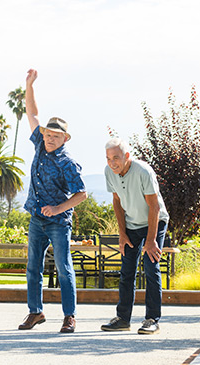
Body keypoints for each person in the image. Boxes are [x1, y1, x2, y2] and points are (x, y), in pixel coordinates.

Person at [18, 69, 87, 333]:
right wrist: (29, 85)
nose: (49, 138)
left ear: (64, 139)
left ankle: (69, 316)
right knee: (33, 267)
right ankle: (35, 312)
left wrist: (58, 208)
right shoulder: (39, 144)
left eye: (55, 136)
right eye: (48, 134)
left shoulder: (67, 163)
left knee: (64, 267)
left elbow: (81, 194)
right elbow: (32, 113)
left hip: (58, 222)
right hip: (36, 219)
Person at [100, 137, 170, 335]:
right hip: (131, 224)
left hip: (154, 221)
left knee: (150, 266)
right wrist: (122, 234)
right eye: (108, 158)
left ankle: (152, 319)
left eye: (116, 158)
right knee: (127, 271)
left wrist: (150, 240)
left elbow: (154, 206)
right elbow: (116, 201)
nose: (112, 163)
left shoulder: (142, 171)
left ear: (127, 156)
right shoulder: (109, 172)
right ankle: (123, 319)